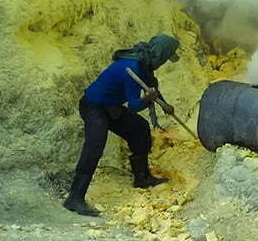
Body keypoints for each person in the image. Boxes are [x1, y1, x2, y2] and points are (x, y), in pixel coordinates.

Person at [63, 34, 181, 216]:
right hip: (93, 106)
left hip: (111, 107)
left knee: (140, 128)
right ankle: (75, 197)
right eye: (166, 58)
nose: (165, 62)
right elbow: (133, 105)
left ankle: (142, 178)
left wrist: (164, 105)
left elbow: (152, 88)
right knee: (95, 144)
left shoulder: (144, 65)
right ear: (161, 54)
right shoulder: (132, 68)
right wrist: (147, 99)